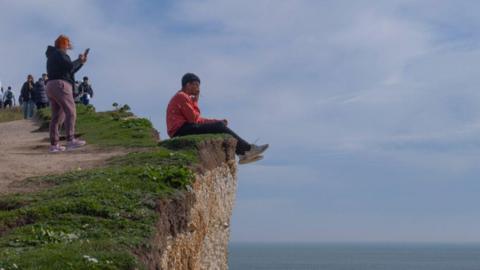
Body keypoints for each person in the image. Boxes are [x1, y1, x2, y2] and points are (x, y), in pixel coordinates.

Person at [166, 73, 269, 164]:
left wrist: (217, 122)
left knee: (219, 126)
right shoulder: (182, 96)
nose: (198, 89)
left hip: (183, 128)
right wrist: (196, 101)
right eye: (196, 85)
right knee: (218, 127)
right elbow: (194, 119)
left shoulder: (184, 97)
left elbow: (198, 120)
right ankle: (247, 150)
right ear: (188, 84)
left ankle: (243, 153)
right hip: (180, 130)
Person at [45, 34, 87, 153]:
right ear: (63, 43)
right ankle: (70, 140)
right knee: (71, 112)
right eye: (68, 43)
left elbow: (70, 70)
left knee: (57, 117)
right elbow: (69, 67)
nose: (69, 45)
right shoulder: (60, 54)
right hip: (61, 85)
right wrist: (79, 60)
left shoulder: (53, 55)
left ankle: (54, 145)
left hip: (51, 85)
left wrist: (81, 63)